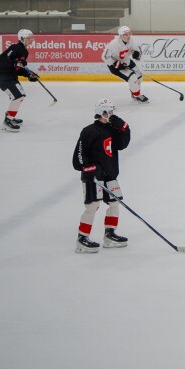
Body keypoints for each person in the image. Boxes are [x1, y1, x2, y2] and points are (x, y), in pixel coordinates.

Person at [71, 98, 132, 253]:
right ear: (102, 112)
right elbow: (78, 156)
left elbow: (122, 144)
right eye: (109, 112)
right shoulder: (89, 131)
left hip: (109, 175)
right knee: (93, 206)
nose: (112, 114)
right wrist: (88, 168)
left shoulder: (111, 129)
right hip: (93, 176)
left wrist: (123, 127)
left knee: (115, 202)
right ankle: (82, 239)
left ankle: (110, 234)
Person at [0, 28, 38, 132]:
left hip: (12, 77)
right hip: (4, 77)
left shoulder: (24, 51)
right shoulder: (15, 47)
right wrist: (15, 63)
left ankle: (10, 115)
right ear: (22, 38)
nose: (31, 40)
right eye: (29, 38)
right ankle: (7, 122)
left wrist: (28, 74)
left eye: (31, 38)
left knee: (20, 97)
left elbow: (18, 69)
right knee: (17, 97)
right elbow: (3, 60)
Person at [102, 25, 149, 102]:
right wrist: (116, 64)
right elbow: (105, 57)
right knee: (132, 77)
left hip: (126, 61)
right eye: (126, 34)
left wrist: (137, 55)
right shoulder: (114, 43)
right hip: (114, 66)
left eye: (129, 33)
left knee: (139, 76)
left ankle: (134, 93)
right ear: (121, 35)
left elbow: (138, 51)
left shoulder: (131, 41)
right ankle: (137, 95)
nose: (128, 36)